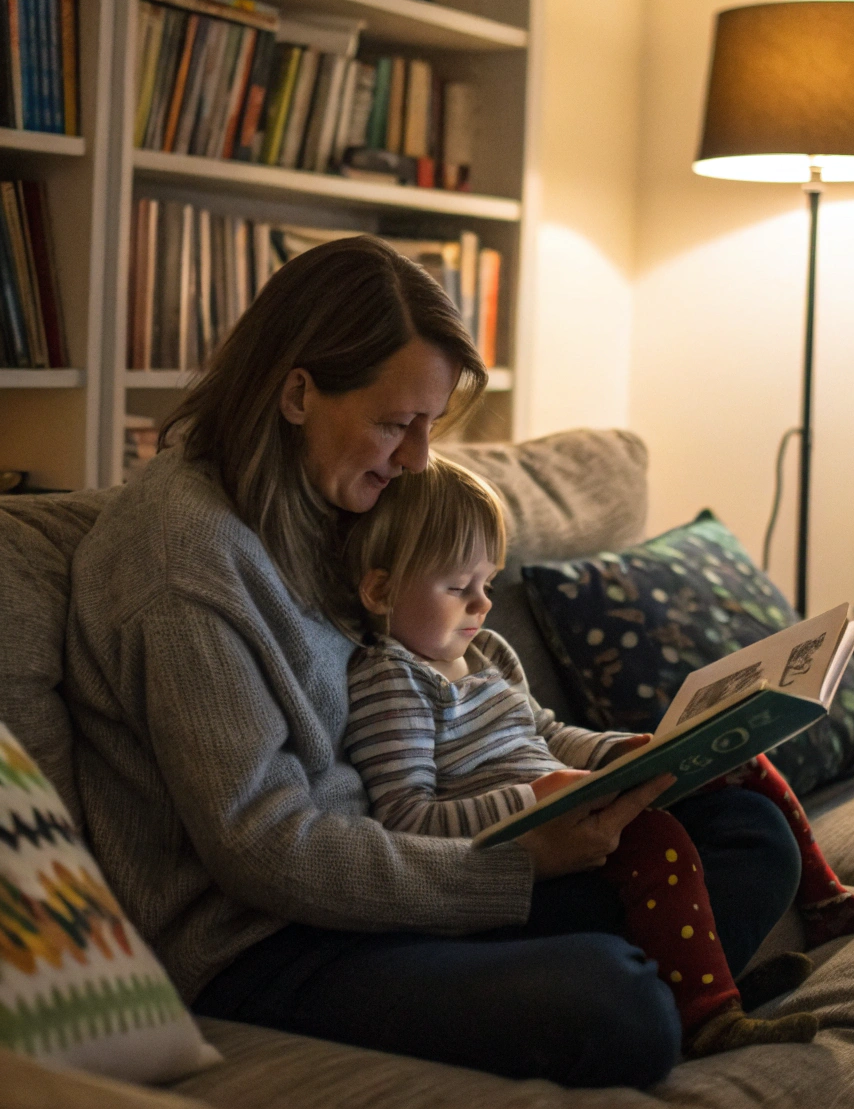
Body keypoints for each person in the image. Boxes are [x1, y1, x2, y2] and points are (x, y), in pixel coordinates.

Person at [65, 236, 806, 1089]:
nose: (419, 456)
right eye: (394, 422)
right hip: (270, 942)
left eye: (429, 424)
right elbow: (267, 851)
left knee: (751, 832)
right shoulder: (182, 565)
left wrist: (615, 770)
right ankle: (664, 986)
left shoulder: (336, 498)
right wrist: (516, 866)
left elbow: (464, 690)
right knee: (616, 1006)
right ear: (297, 391)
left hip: (420, 867)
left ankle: (663, 976)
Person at [341, 455, 854, 1059]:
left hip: (572, 807)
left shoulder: (486, 651)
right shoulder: (391, 680)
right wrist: (534, 799)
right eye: (459, 588)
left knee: (738, 771)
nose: (482, 604)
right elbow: (406, 817)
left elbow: (545, 731)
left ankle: (822, 902)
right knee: (655, 841)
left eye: (488, 583)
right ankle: (709, 1015)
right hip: (520, 852)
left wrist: (619, 751)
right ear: (380, 589)